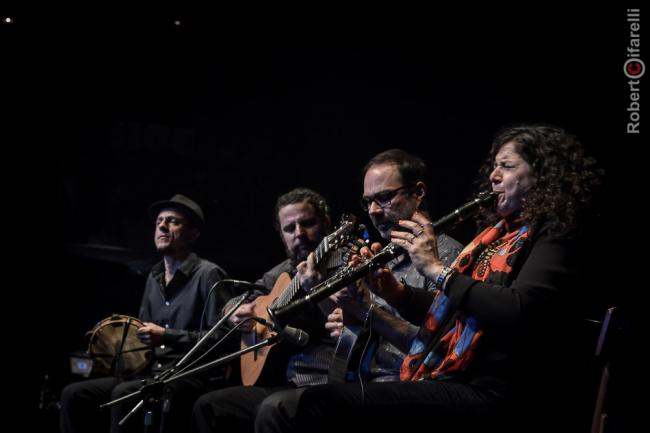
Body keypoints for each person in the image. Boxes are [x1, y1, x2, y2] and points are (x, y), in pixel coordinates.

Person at [273, 125, 601, 433]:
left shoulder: (557, 234)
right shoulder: (499, 236)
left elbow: (519, 309)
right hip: (461, 382)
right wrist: (397, 292)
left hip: (499, 392)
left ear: (542, 174)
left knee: (308, 407)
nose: (494, 175)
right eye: (494, 166)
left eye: (507, 166)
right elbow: (456, 310)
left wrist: (434, 269)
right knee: (292, 405)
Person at [248, 149, 463, 432]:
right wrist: (346, 315)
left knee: (279, 409)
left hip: (405, 386)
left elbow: (439, 353)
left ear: (418, 192)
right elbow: (361, 329)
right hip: (361, 381)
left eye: (384, 198)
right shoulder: (381, 257)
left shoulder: (448, 257)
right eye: (367, 202)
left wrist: (365, 312)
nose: (373, 211)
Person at [60, 194, 230, 433]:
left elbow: (222, 338)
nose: (161, 225)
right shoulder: (154, 276)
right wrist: (114, 342)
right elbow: (142, 334)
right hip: (151, 373)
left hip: (186, 376)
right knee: (75, 393)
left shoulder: (208, 274)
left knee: (124, 392)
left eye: (173, 221)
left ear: (193, 234)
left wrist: (168, 336)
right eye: (160, 221)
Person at [191, 188, 344, 433]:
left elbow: (354, 322)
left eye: (307, 223)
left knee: (272, 408)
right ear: (281, 235)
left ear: (326, 223)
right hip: (283, 380)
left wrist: (318, 288)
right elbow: (243, 299)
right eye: (289, 229)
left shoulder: (347, 264)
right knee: (208, 405)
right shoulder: (281, 271)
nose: (299, 234)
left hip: (324, 380)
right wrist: (234, 311)